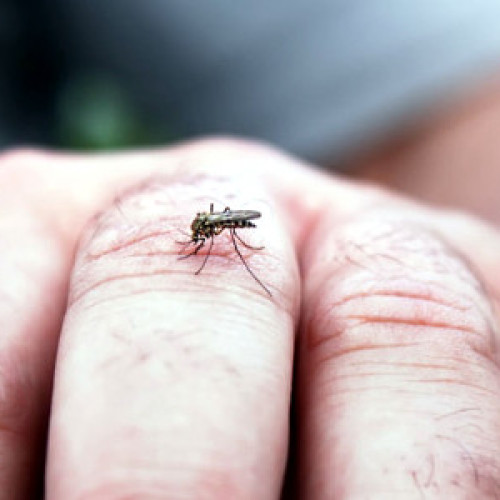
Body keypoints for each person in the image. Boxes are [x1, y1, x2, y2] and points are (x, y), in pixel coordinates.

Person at [2, 137, 500, 499]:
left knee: (232, 240)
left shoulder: (215, 224)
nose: (200, 232)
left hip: (250, 218)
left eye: (200, 230)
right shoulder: (204, 226)